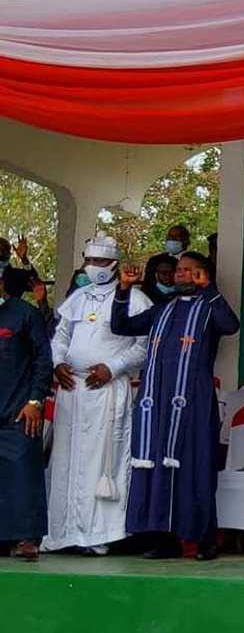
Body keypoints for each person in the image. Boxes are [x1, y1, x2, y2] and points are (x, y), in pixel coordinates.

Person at [111, 252, 239, 560]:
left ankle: (204, 539)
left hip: (193, 401)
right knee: (157, 466)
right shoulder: (162, 309)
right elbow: (121, 326)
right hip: (157, 401)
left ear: (204, 275)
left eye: (190, 271)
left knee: (196, 465)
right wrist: (124, 289)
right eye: (179, 270)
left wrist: (209, 290)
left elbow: (230, 325)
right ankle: (162, 539)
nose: (182, 274)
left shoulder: (209, 308)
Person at [43, 233, 152, 555]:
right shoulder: (78, 296)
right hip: (72, 388)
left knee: (103, 461)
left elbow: (144, 346)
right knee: (66, 460)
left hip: (106, 389)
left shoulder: (136, 299)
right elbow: (60, 336)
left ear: (115, 264)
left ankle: (98, 536)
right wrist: (58, 362)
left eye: (101, 261)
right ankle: (63, 533)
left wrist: (113, 367)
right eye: (90, 261)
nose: (94, 267)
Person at [0, 264, 51, 560]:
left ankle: (26, 539)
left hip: (18, 412)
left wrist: (35, 401)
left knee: (23, 474)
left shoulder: (25, 314)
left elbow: (43, 359)